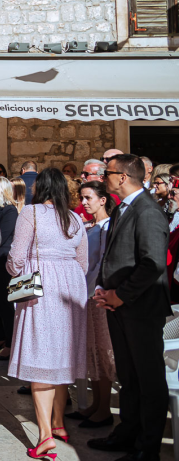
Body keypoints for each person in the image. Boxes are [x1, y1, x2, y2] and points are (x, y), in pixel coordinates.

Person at [88, 154, 170, 461]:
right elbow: (113, 254)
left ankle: (148, 448)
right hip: (120, 306)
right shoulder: (123, 208)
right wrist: (102, 286)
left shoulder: (147, 210)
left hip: (141, 308)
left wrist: (120, 294)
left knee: (148, 379)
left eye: (107, 173)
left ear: (122, 177)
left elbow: (153, 263)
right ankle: (127, 433)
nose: (102, 178)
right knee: (128, 376)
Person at [7, 167, 87, 459]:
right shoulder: (75, 218)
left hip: (42, 286)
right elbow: (83, 262)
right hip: (71, 287)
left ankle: (45, 437)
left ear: (39, 188)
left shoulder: (31, 213)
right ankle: (58, 423)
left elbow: (16, 257)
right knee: (61, 355)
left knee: (41, 355)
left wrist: (14, 271)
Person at [69, 180, 117, 429]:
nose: (84, 202)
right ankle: (96, 404)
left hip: (97, 295)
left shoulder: (108, 227)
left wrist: (93, 289)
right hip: (86, 295)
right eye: (82, 198)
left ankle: (104, 408)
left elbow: (102, 263)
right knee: (92, 350)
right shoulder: (90, 226)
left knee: (102, 350)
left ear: (102, 200)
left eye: (88, 198)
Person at [0, 176, 20, 361]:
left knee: (5, 303)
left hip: (2, 261)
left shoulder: (9, 211)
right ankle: (0, 337)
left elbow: (1, 235)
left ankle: (9, 341)